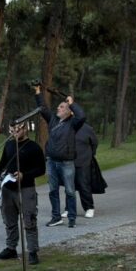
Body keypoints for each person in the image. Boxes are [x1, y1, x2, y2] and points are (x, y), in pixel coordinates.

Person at [0, 118, 46, 263]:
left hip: (26, 189)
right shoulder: (8, 145)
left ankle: (32, 251)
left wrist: (24, 175)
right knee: (9, 220)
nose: (14, 132)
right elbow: (3, 163)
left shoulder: (34, 147)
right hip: (8, 188)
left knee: (29, 220)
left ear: (25, 128)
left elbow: (41, 169)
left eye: (17, 129)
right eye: (12, 130)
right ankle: (11, 248)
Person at [35, 85, 86, 228]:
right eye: (59, 107)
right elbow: (43, 108)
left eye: (62, 107)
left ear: (69, 112)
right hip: (51, 162)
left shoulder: (73, 123)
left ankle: (71, 218)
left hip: (66, 162)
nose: (58, 108)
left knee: (70, 191)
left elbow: (81, 116)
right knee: (53, 191)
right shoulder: (53, 120)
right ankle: (56, 217)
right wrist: (38, 92)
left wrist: (72, 103)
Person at [74, 121, 99, 218]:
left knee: (83, 184)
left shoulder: (87, 128)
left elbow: (94, 143)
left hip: (83, 161)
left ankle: (89, 207)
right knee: (69, 187)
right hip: (68, 161)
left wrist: (89, 155)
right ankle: (69, 209)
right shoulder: (66, 126)